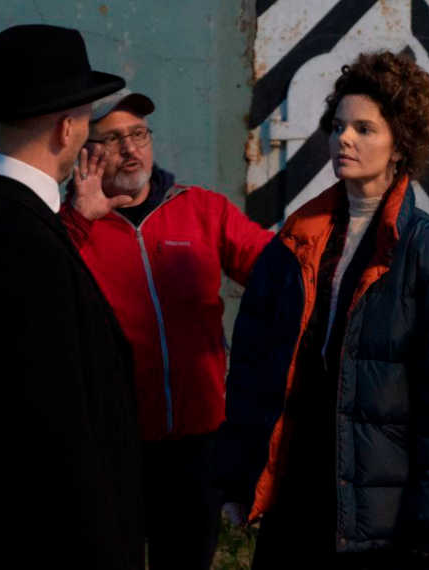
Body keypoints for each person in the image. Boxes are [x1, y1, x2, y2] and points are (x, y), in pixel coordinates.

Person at [216, 51, 429, 569]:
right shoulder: (293, 248)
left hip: (387, 525)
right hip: (298, 506)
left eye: (364, 129)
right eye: (338, 126)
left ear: (401, 144)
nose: (344, 139)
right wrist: (240, 477)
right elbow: (253, 375)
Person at [0, 25, 143, 569]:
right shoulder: (24, 239)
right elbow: (57, 428)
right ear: (66, 127)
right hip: (46, 541)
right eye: (86, 120)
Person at [61, 89, 273, 570]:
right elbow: (40, 298)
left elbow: (276, 272)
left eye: (139, 134)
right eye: (113, 139)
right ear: (86, 152)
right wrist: (78, 220)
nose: (131, 149)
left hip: (198, 442)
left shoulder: (202, 209)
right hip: (112, 445)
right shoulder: (68, 228)